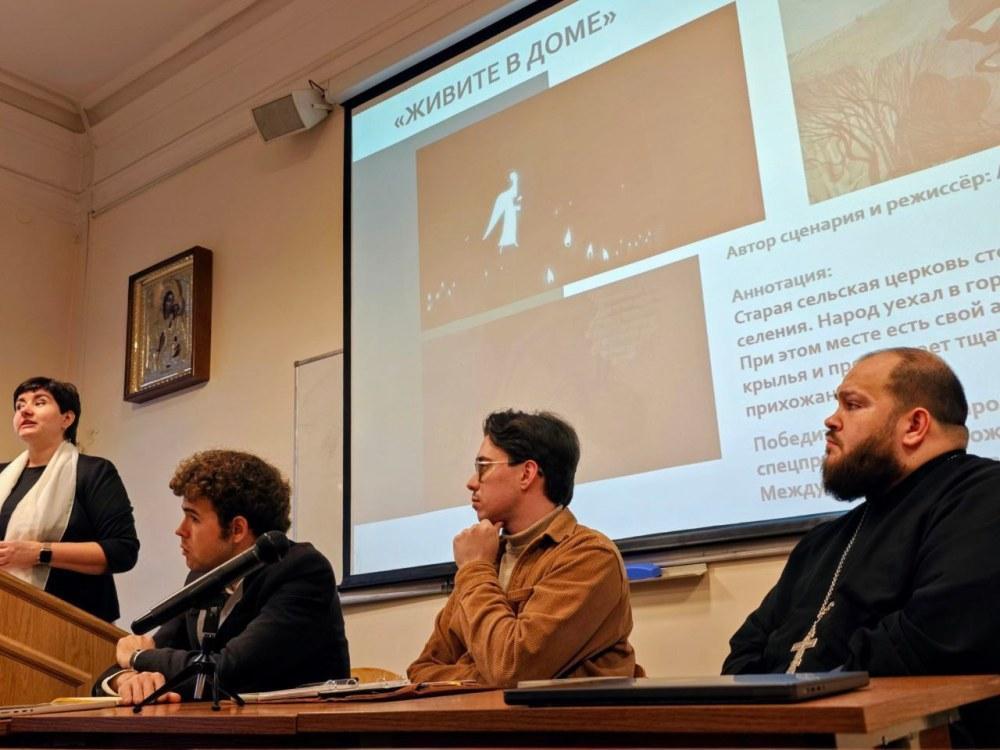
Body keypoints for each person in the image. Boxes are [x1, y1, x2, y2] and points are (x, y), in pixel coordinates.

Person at [722, 348, 1000, 744]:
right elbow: (744, 652)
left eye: (852, 405)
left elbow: (925, 647)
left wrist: (798, 700)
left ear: (914, 425)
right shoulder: (821, 542)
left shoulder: (983, 497)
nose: (831, 420)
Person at [408, 409, 641, 687]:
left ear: (527, 474)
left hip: (561, 718)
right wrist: (483, 676)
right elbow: (422, 671)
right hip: (483, 715)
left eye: (483, 466)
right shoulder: (488, 556)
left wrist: (475, 569)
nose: (471, 482)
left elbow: (512, 670)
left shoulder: (590, 556)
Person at [96, 450, 350, 704]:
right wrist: (125, 680)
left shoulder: (302, 571)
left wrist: (138, 658)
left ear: (237, 529)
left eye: (193, 518)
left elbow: (227, 673)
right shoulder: (202, 577)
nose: (180, 530)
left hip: (298, 726)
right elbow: (122, 670)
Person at [0, 377, 138, 622]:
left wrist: (39, 552)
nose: (25, 410)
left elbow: (122, 551)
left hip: (71, 621)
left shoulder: (93, 472)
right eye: (20, 405)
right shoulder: (2, 475)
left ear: (67, 418)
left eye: (39, 402)